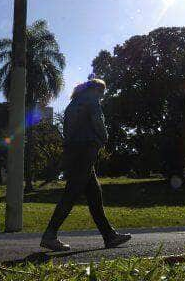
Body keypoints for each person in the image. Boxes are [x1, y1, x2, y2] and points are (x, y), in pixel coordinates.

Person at [40, 78, 131, 251]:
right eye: (101, 92)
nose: (102, 96)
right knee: (72, 192)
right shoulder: (91, 100)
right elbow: (97, 120)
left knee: (94, 195)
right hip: (87, 149)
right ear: (95, 89)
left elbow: (67, 132)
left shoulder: (72, 104)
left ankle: (109, 236)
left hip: (74, 151)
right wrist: (104, 138)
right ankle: (50, 235)